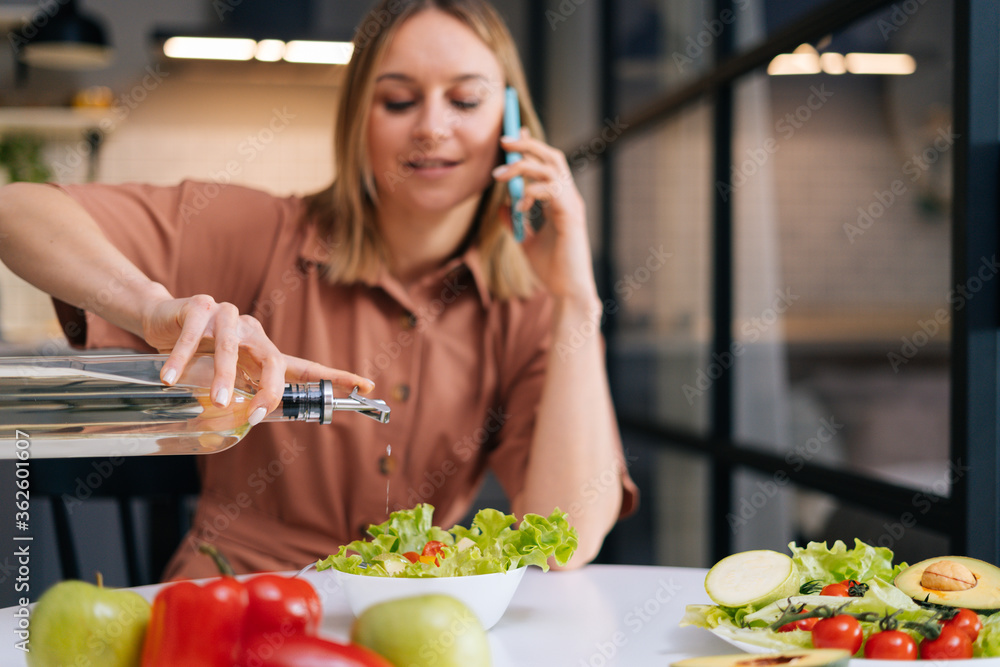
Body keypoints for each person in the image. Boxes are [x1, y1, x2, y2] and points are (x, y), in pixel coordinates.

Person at [0, 0, 637, 579]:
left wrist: (576, 298)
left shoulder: (524, 306)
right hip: (235, 600)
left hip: (407, 617)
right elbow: (17, 211)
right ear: (358, 119)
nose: (432, 128)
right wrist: (150, 307)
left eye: (465, 101)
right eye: (397, 101)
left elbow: (567, 538)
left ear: (512, 121)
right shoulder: (257, 232)